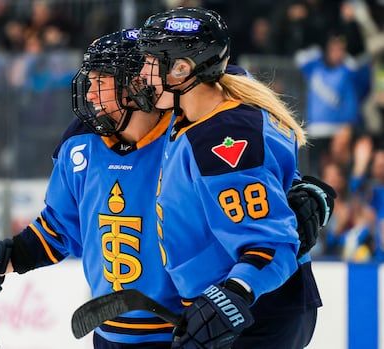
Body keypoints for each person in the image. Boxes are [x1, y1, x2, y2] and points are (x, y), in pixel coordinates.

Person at [0, 28, 333, 349]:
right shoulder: (81, 143)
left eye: (100, 83)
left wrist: (307, 195)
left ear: (135, 86)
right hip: (115, 334)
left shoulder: (192, 132)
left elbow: (262, 185)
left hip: (192, 329)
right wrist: (0, 258)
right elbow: (60, 229)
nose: (89, 94)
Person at [137, 7, 326, 349]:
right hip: (226, 309)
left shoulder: (223, 139)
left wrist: (233, 295)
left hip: (257, 315)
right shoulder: (213, 95)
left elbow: (272, 246)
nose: (144, 74)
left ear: (182, 69)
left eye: (151, 63)